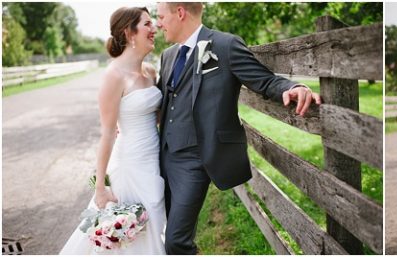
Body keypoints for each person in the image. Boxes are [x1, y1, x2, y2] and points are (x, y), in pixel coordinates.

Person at [154, 2, 321, 254]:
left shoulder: (225, 45)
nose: (158, 23)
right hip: (165, 156)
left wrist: (294, 88)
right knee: (166, 226)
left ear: (180, 13)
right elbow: (164, 101)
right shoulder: (167, 56)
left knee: (176, 241)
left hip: (196, 158)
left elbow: (263, 80)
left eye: (160, 16)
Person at [60, 7, 166, 254]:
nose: (155, 29)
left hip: (153, 161)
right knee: (130, 235)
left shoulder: (150, 71)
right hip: (129, 167)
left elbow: (159, 117)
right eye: (147, 24)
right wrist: (100, 188)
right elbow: (107, 133)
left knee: (154, 227)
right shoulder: (113, 75)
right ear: (129, 32)